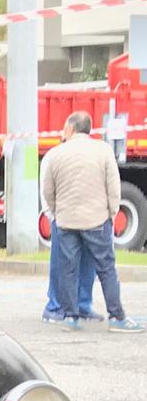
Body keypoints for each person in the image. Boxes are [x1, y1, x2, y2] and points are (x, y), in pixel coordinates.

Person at [42, 111, 144, 332]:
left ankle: (70, 317)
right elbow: (113, 186)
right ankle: (116, 317)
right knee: (106, 268)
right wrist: (111, 212)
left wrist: (57, 212)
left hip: (66, 221)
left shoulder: (56, 154)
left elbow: (48, 190)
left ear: (70, 129)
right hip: (97, 220)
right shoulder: (103, 151)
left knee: (68, 269)